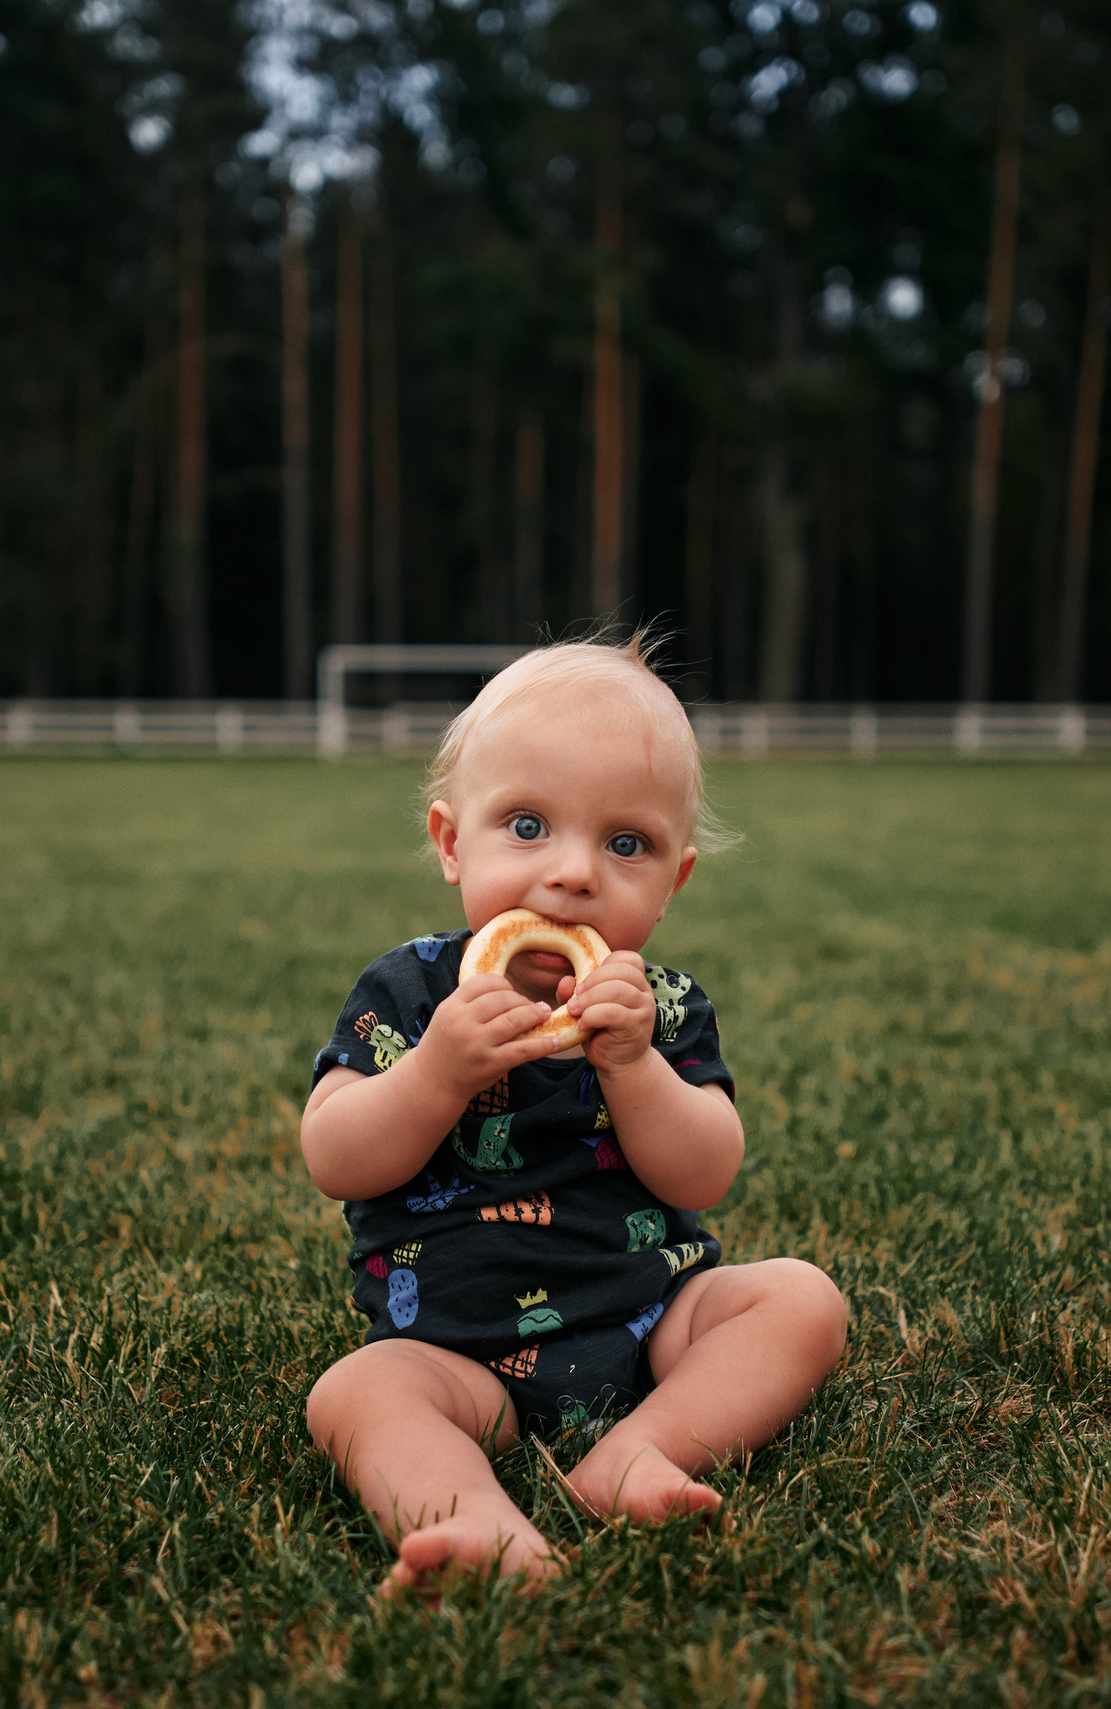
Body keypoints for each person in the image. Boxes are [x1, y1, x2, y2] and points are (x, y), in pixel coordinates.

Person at [301, 632, 850, 1595]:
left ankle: (641, 1452)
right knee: (356, 1391)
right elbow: (336, 1156)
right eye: (526, 825)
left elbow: (704, 1173)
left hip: (650, 1324)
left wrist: (635, 1067)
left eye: (625, 843)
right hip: (453, 1347)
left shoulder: (662, 1007)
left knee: (802, 1299)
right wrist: (437, 1072)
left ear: (673, 881)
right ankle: (474, 1525)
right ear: (449, 841)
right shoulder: (413, 994)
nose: (573, 873)